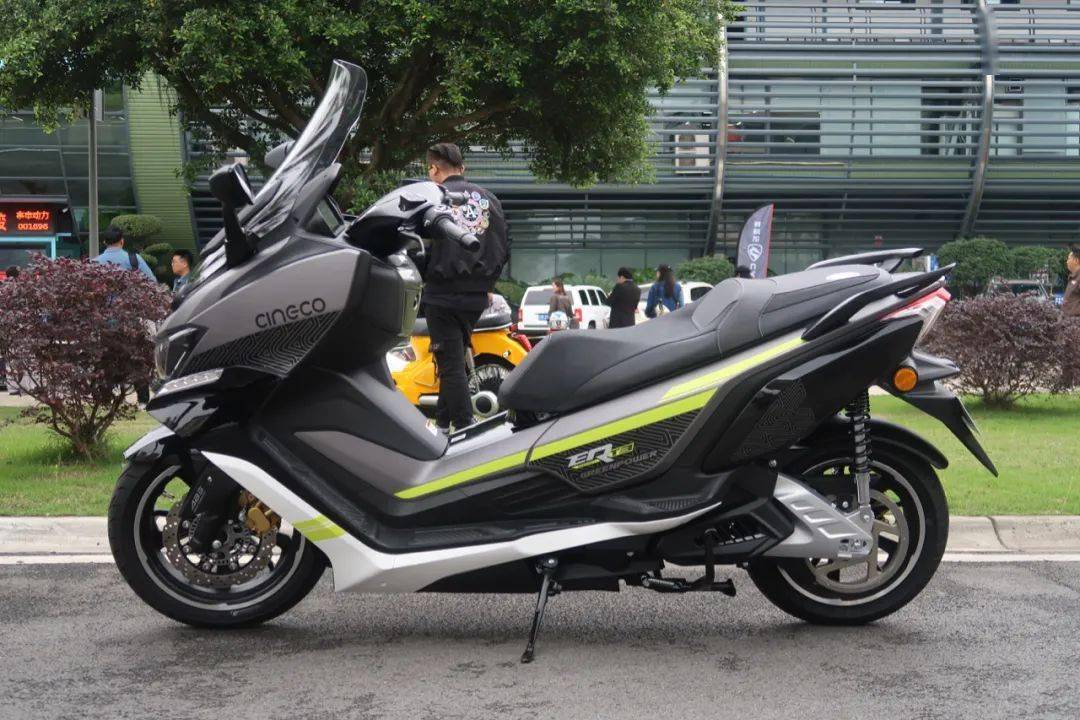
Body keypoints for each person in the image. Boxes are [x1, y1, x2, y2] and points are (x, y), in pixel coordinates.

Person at [420, 142, 509, 432]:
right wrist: (488, 282)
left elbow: (418, 245)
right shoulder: (489, 199)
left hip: (442, 292)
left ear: (434, 169)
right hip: (477, 296)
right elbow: (503, 244)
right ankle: (442, 424)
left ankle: (466, 426)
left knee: (450, 365)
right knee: (454, 359)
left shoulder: (432, 197)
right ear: (462, 168)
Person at [92, 225, 157, 283]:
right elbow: (152, 281)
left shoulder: (95, 262)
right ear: (122, 241)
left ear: (105, 242)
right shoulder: (135, 259)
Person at [1064, 245, 1080, 319]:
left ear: (1076, 260)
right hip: (1069, 321)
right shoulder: (1073, 277)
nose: (1067, 262)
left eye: (1069, 259)